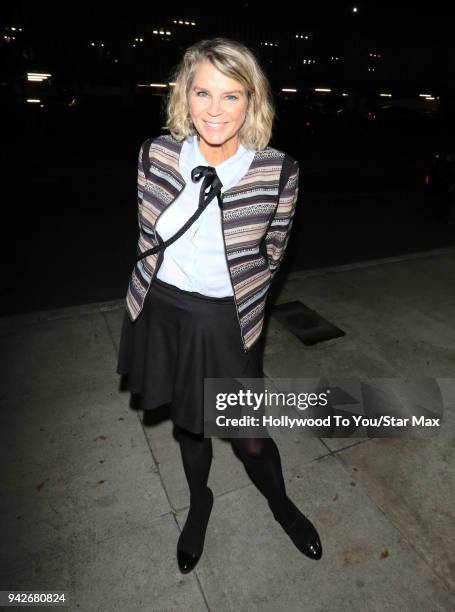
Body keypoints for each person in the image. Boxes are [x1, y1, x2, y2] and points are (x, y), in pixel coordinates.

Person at [116, 37, 322, 574]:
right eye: (202, 92)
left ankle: (282, 505)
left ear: (252, 102)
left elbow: (274, 250)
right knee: (190, 425)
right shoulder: (154, 154)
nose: (213, 109)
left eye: (231, 96)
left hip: (225, 320)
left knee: (250, 439)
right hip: (163, 310)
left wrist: (242, 299)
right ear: (183, 96)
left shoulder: (279, 171)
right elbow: (145, 235)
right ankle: (199, 503)